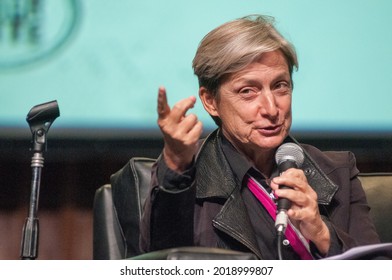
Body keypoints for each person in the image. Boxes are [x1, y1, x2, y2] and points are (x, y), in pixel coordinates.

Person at [116, 15, 381, 259]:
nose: (271, 109)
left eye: (280, 86)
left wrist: (322, 234)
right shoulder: (186, 181)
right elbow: (161, 267)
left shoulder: (337, 172)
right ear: (210, 102)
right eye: (247, 91)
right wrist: (174, 166)